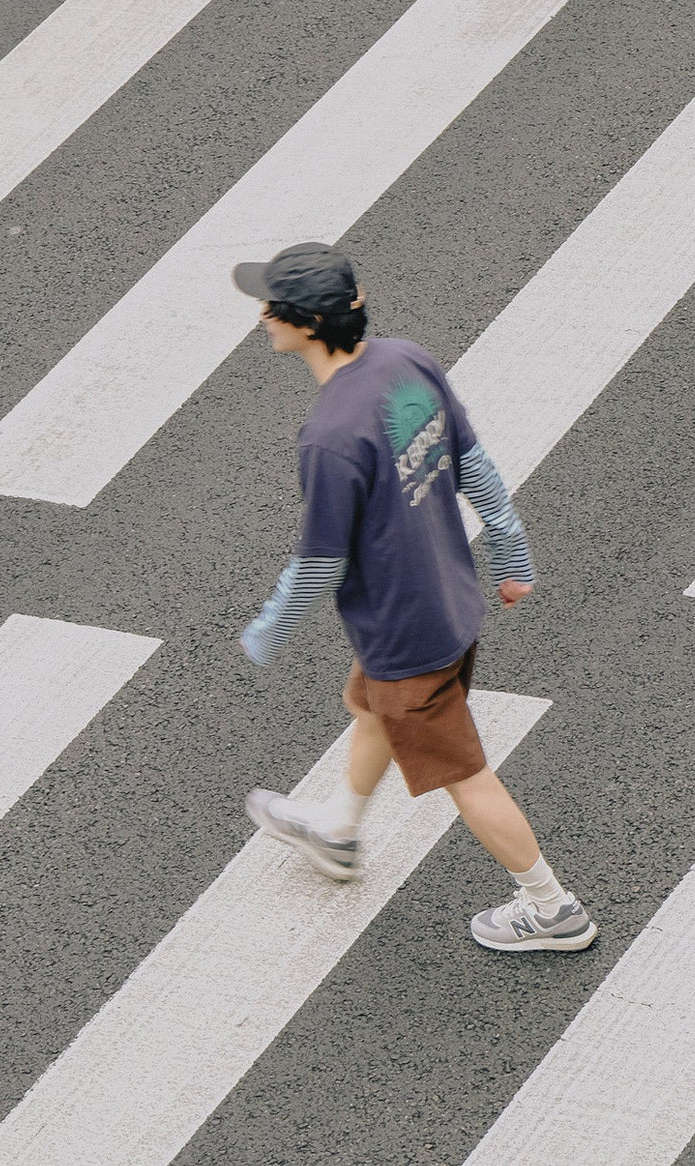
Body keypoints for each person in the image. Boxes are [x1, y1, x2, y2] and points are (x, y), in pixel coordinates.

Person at [232, 241, 595, 953]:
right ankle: (338, 831)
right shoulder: (404, 361)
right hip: (446, 597)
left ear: (305, 323)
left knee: (465, 773)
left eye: (272, 307)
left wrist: (269, 632)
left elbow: (319, 562)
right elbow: (473, 463)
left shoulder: (332, 436)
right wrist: (512, 555)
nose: (262, 318)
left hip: (406, 627)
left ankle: (552, 909)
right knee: (371, 704)